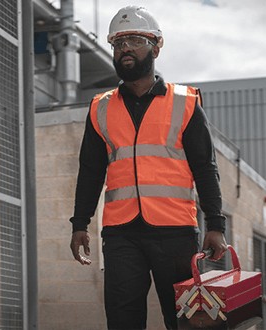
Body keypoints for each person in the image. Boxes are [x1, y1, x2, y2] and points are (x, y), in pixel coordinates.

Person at [68, 5, 228, 330]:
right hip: (121, 235)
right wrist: (79, 223)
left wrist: (216, 224)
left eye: (135, 40)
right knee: (123, 321)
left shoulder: (185, 102)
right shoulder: (100, 108)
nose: (125, 48)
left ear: (156, 46)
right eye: (118, 43)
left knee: (186, 322)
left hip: (176, 233)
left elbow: (205, 168)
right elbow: (90, 171)